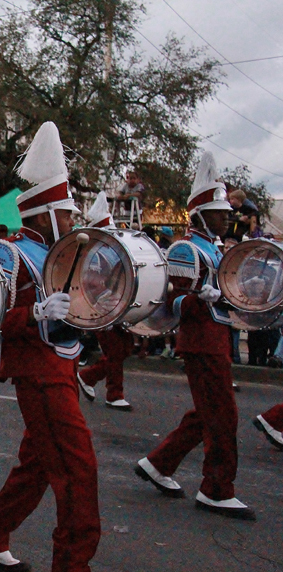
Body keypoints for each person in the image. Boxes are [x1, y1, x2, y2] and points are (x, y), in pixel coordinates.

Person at [0, 122, 105, 572]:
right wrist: (35, 313)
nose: (71, 219)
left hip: (61, 367)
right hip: (37, 374)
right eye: (65, 211)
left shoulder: (61, 252)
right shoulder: (8, 251)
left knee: (40, 463)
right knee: (77, 465)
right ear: (44, 213)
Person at [135, 151, 254, 521]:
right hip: (200, 340)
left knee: (208, 412)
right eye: (219, 212)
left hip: (215, 336)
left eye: (227, 211)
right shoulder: (187, 248)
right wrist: (199, 297)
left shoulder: (216, 249)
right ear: (201, 214)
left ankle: (159, 463)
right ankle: (216, 489)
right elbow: (174, 302)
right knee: (223, 415)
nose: (226, 217)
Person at [77, 193, 134, 411]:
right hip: (102, 308)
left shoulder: (112, 250)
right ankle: (114, 394)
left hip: (116, 305)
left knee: (125, 347)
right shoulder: (94, 253)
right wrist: (105, 308)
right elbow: (92, 284)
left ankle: (88, 376)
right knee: (115, 350)